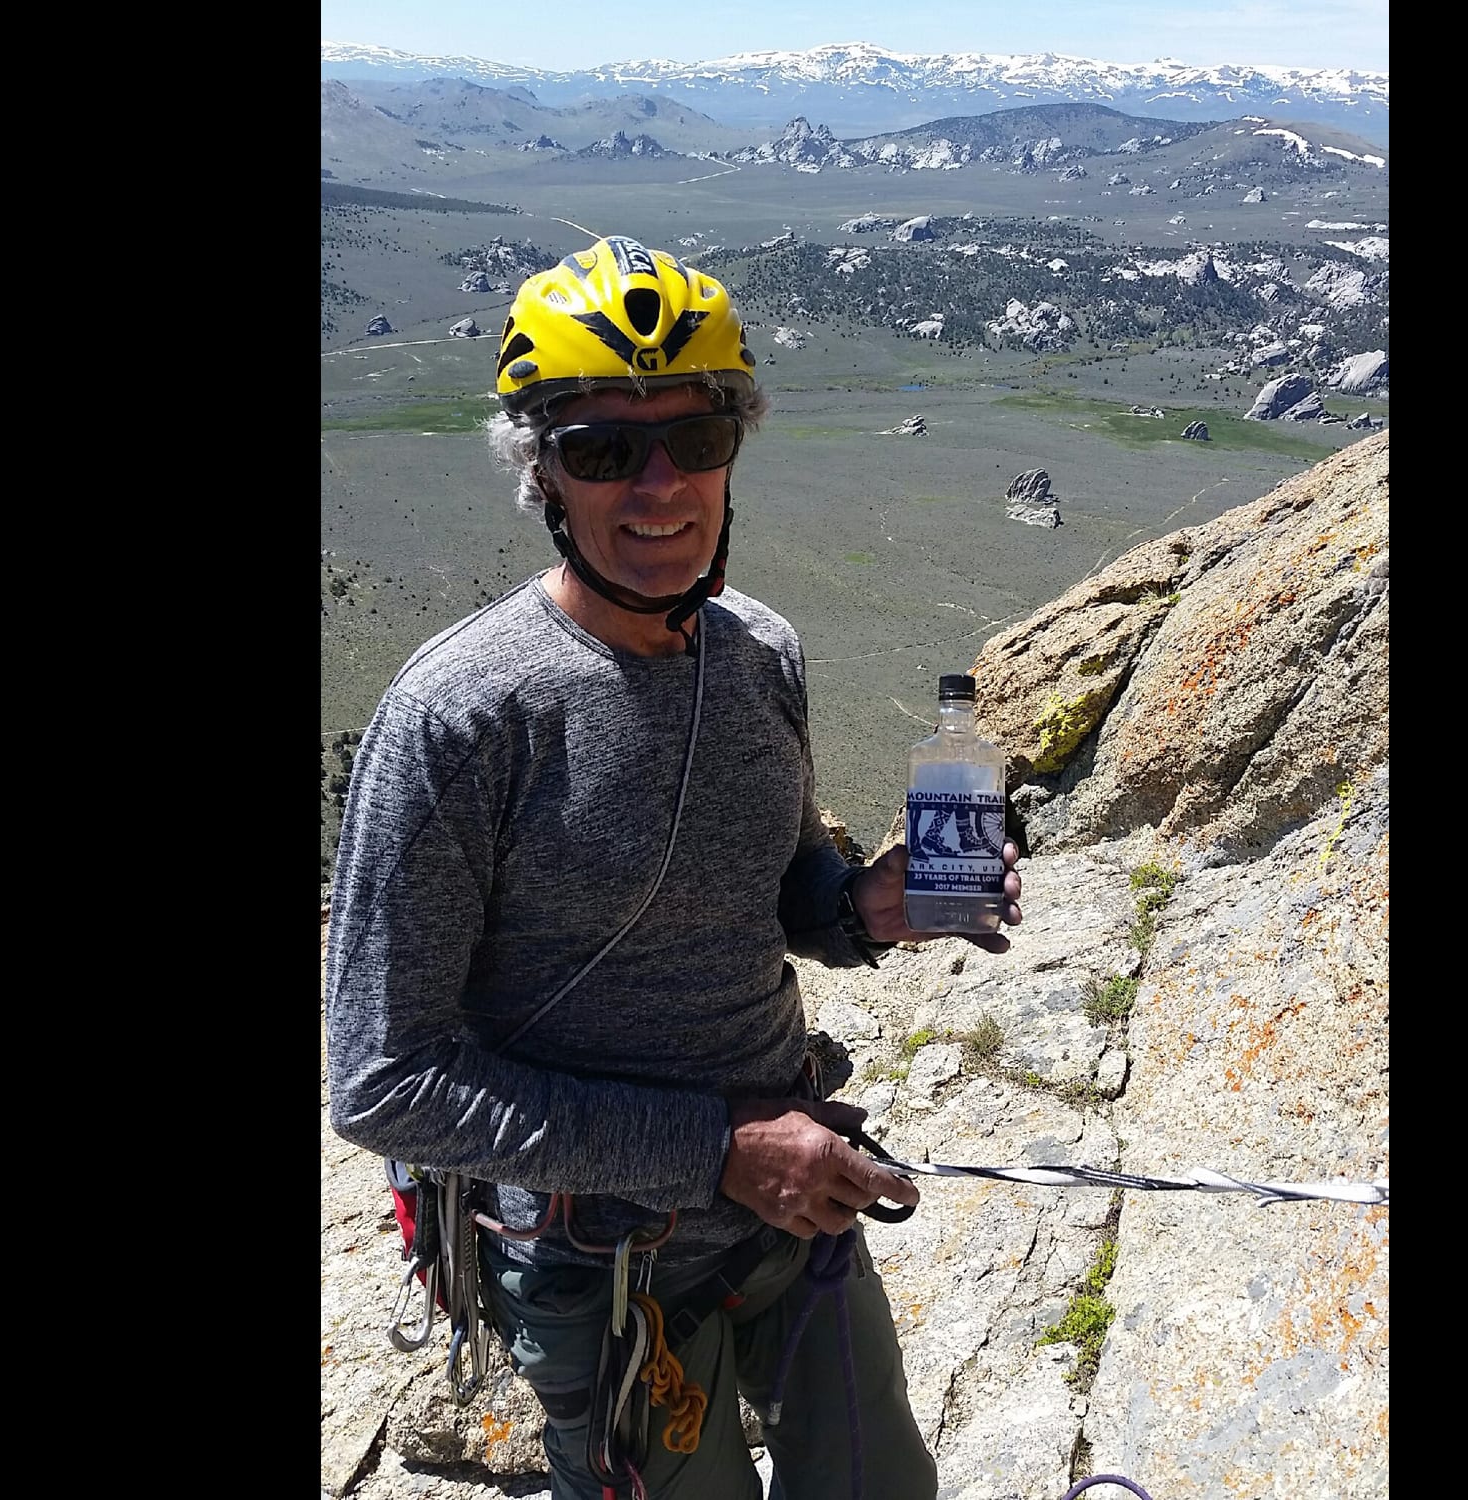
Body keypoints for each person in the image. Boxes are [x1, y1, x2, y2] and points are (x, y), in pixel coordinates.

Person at [324, 234, 1025, 1500]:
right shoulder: (462, 717)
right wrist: (716, 1153)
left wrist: (859, 906)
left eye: (693, 439)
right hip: (604, 1255)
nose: (658, 486)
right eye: (602, 449)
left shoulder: (761, 649)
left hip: (796, 1190)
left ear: (734, 450)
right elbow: (383, 1080)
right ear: (542, 475)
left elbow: (780, 882)